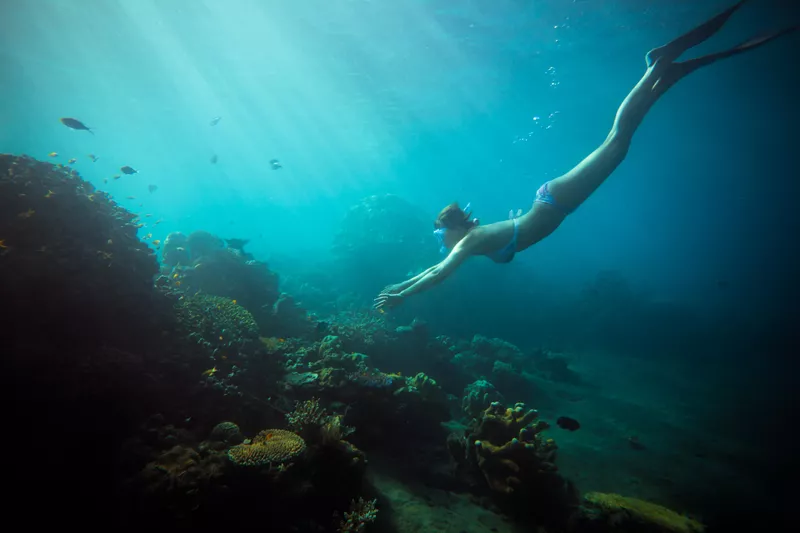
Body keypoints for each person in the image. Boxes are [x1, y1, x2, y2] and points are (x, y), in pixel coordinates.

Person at [374, 0, 796, 310]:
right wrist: (399, 286)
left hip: (556, 200)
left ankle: (655, 66)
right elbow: (449, 263)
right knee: (619, 145)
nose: (440, 245)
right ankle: (665, 79)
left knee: (616, 142)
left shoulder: (471, 241)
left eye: (438, 236)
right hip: (554, 200)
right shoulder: (474, 241)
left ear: (450, 230)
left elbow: (439, 274)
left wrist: (399, 293)